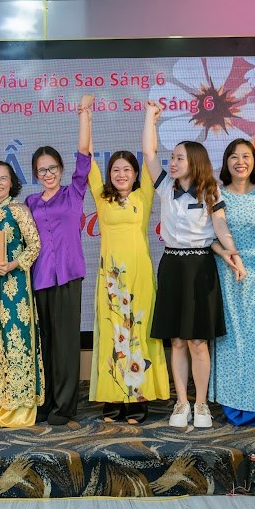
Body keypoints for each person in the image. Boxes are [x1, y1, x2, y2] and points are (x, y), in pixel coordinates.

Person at [143, 101, 245, 429]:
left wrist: (233, 254)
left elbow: (221, 228)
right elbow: (148, 153)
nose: (172, 163)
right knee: (177, 340)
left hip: (201, 267)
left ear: (195, 163)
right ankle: (182, 402)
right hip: (172, 265)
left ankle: (201, 404)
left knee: (198, 341)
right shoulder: (165, 187)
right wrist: (151, 118)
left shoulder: (210, 191)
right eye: (172, 157)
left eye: (179, 158)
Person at [82, 94, 169, 424]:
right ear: (109, 174)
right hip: (110, 279)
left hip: (140, 276)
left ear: (135, 174)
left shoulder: (144, 195)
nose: (121, 174)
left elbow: (150, 153)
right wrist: (86, 115)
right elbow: (86, 156)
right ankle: (113, 394)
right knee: (112, 331)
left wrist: (151, 117)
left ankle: (138, 397)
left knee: (138, 331)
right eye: (116, 170)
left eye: (127, 170)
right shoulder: (101, 198)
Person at [26, 121, 91, 426]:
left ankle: (64, 406)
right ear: (35, 174)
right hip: (39, 277)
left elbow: (84, 155)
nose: (48, 174)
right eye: (42, 170)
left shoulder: (73, 193)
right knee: (45, 343)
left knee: (65, 343)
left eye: (52, 168)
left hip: (68, 275)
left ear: (62, 169)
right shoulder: (30, 202)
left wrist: (84, 115)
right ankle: (47, 400)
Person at [209, 139, 255, 426]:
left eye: (246, 156)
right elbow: (208, 236)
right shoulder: (216, 193)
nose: (240, 162)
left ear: (254, 161)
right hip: (227, 271)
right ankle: (231, 402)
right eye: (234, 157)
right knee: (230, 336)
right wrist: (226, 254)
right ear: (226, 162)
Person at [0, 161, 44, 427]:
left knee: (17, 338)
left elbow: (34, 245)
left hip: (15, 285)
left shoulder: (19, 210)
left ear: (12, 182)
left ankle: (20, 409)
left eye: (2, 178)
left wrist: (12, 264)